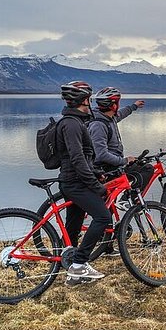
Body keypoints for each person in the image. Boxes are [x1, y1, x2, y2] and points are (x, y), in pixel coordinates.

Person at [57, 81, 111, 286]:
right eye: (88, 99)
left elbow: (84, 159)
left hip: (74, 181)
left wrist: (96, 173)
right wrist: (96, 186)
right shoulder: (71, 124)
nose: (91, 103)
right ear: (83, 100)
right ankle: (80, 263)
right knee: (103, 216)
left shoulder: (76, 122)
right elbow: (77, 160)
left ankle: (73, 273)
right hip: (74, 183)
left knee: (74, 225)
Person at [88, 87, 153, 254]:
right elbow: (101, 154)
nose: (119, 106)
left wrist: (134, 106)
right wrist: (124, 160)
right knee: (145, 169)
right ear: (113, 104)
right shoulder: (99, 125)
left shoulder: (109, 117)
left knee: (107, 207)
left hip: (111, 166)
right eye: (118, 102)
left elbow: (121, 114)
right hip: (105, 168)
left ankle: (107, 246)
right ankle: (127, 199)